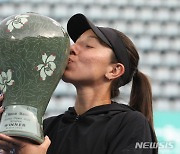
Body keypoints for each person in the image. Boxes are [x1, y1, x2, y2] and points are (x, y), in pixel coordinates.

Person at [0, 13, 158, 154]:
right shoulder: (46, 127)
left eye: (88, 46)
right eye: (74, 43)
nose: (71, 49)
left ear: (114, 70)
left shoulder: (130, 124)